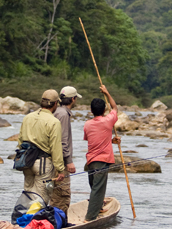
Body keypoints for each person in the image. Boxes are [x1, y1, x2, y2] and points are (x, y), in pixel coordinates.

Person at [17, 89, 66, 205]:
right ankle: (35, 222)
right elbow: (56, 146)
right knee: (41, 198)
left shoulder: (27, 117)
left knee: (27, 195)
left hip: (26, 162)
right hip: (43, 163)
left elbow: (20, 141)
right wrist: (60, 169)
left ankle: (24, 220)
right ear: (55, 104)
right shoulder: (54, 121)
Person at [83, 85, 120, 221]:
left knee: (94, 187)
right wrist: (107, 92)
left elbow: (93, 139)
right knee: (97, 189)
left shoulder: (87, 124)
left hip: (91, 161)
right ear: (104, 110)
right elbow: (115, 108)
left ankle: (97, 207)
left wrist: (110, 140)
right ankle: (90, 217)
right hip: (102, 161)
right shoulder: (107, 121)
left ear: (91, 110)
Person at [51, 85, 82, 213]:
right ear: (73, 99)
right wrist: (69, 161)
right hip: (61, 161)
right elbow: (63, 141)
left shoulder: (57, 111)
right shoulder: (63, 115)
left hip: (53, 159)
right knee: (62, 193)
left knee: (54, 193)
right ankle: (59, 222)